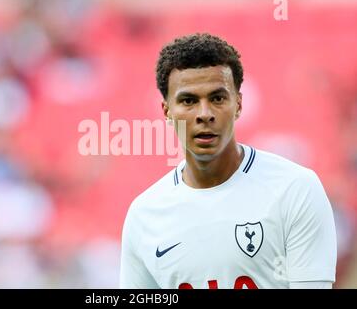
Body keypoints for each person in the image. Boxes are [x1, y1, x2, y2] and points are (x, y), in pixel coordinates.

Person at [119, 33, 337, 289]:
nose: (204, 114)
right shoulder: (144, 215)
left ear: (238, 104)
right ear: (167, 111)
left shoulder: (295, 189)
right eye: (188, 101)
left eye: (217, 98)